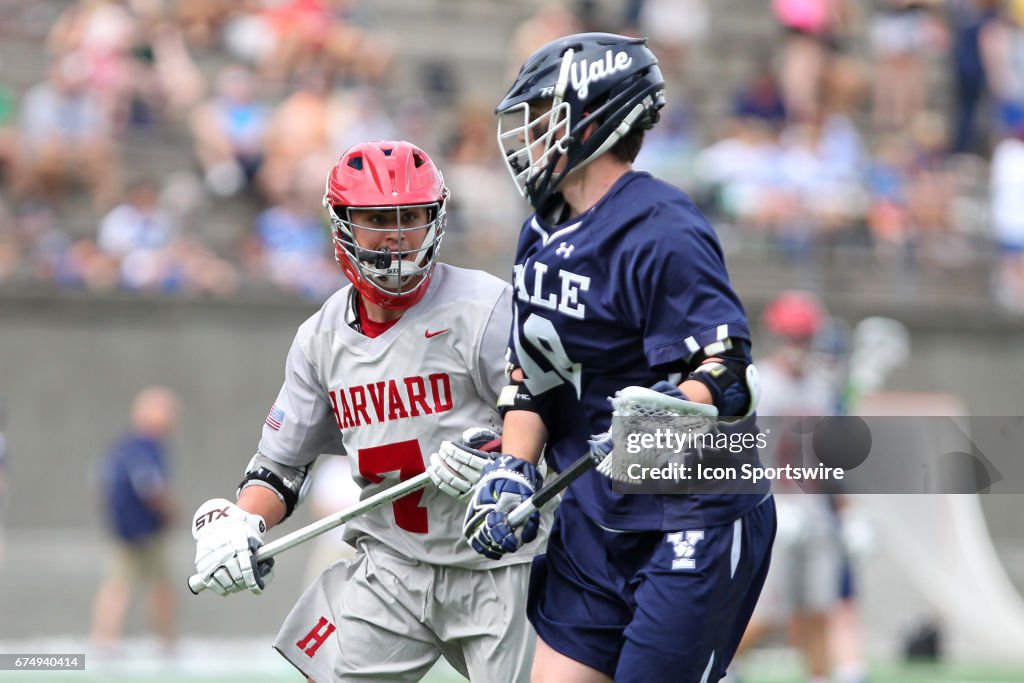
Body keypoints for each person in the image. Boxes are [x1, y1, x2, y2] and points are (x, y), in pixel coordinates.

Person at [451, 33, 777, 683]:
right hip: (593, 515)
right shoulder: (541, 228)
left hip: (690, 513)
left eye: (545, 117)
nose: (529, 135)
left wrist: (657, 418)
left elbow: (728, 375)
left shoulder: (663, 227)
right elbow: (532, 374)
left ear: (592, 122)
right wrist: (514, 470)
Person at [190, 140, 545, 683]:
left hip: (498, 562)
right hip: (394, 562)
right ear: (342, 224)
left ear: (437, 219)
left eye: (413, 217)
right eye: (378, 217)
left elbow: (548, 413)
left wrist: (498, 460)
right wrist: (244, 522)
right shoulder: (320, 339)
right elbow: (280, 467)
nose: (398, 234)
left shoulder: (485, 308)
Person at [731, 291, 844, 683]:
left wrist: (848, 513)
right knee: (768, 614)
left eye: (804, 337)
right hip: (772, 508)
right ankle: (720, 666)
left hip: (813, 512)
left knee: (819, 609)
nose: (798, 346)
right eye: (793, 337)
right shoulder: (759, 381)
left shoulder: (821, 388)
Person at [90, 386, 180, 655]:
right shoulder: (145, 448)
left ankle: (112, 639)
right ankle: (111, 641)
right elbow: (151, 487)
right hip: (142, 530)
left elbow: (99, 481)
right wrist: (170, 509)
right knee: (130, 585)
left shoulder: (122, 447)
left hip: (128, 528)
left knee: (142, 585)